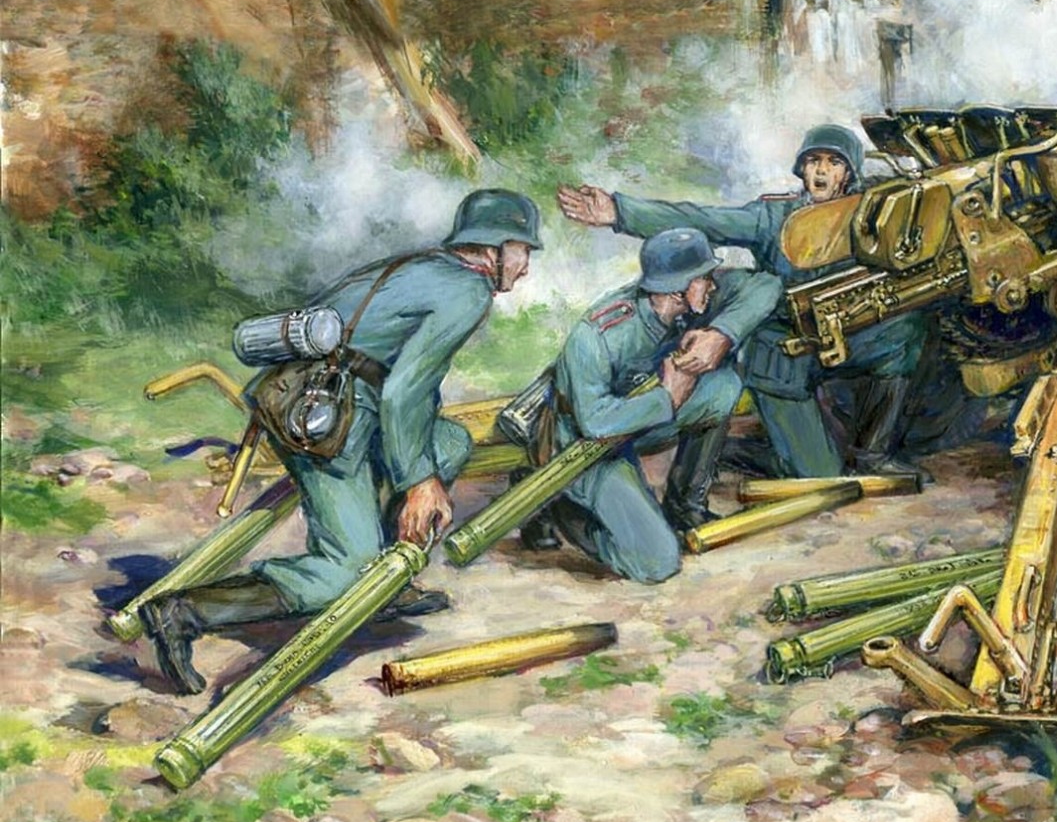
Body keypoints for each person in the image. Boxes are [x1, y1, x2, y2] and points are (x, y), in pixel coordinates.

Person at [142, 188, 542, 695]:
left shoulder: (423, 267)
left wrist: (421, 468)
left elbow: (402, 386)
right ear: (494, 248)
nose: (525, 266)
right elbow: (403, 392)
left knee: (449, 442)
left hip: (311, 397)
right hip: (329, 424)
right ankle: (186, 612)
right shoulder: (468, 292)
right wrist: (419, 483)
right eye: (523, 250)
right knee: (345, 569)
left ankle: (388, 583)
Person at [556, 124, 928, 480]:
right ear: (801, 169)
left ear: (848, 174)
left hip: (847, 337)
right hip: (784, 356)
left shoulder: (870, 213)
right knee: (819, 472)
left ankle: (873, 455)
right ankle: (738, 452)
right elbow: (703, 220)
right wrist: (619, 212)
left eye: (833, 163)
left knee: (904, 331)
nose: (821, 171)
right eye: (813, 161)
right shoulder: (774, 218)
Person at [518, 228, 781, 579]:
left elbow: (768, 285)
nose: (712, 285)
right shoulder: (599, 334)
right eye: (704, 278)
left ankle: (685, 506)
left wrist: (720, 334)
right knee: (657, 562)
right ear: (677, 289)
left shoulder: (690, 304)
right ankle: (561, 507)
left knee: (724, 387)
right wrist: (667, 399)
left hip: (639, 423)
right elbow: (594, 421)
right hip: (587, 446)